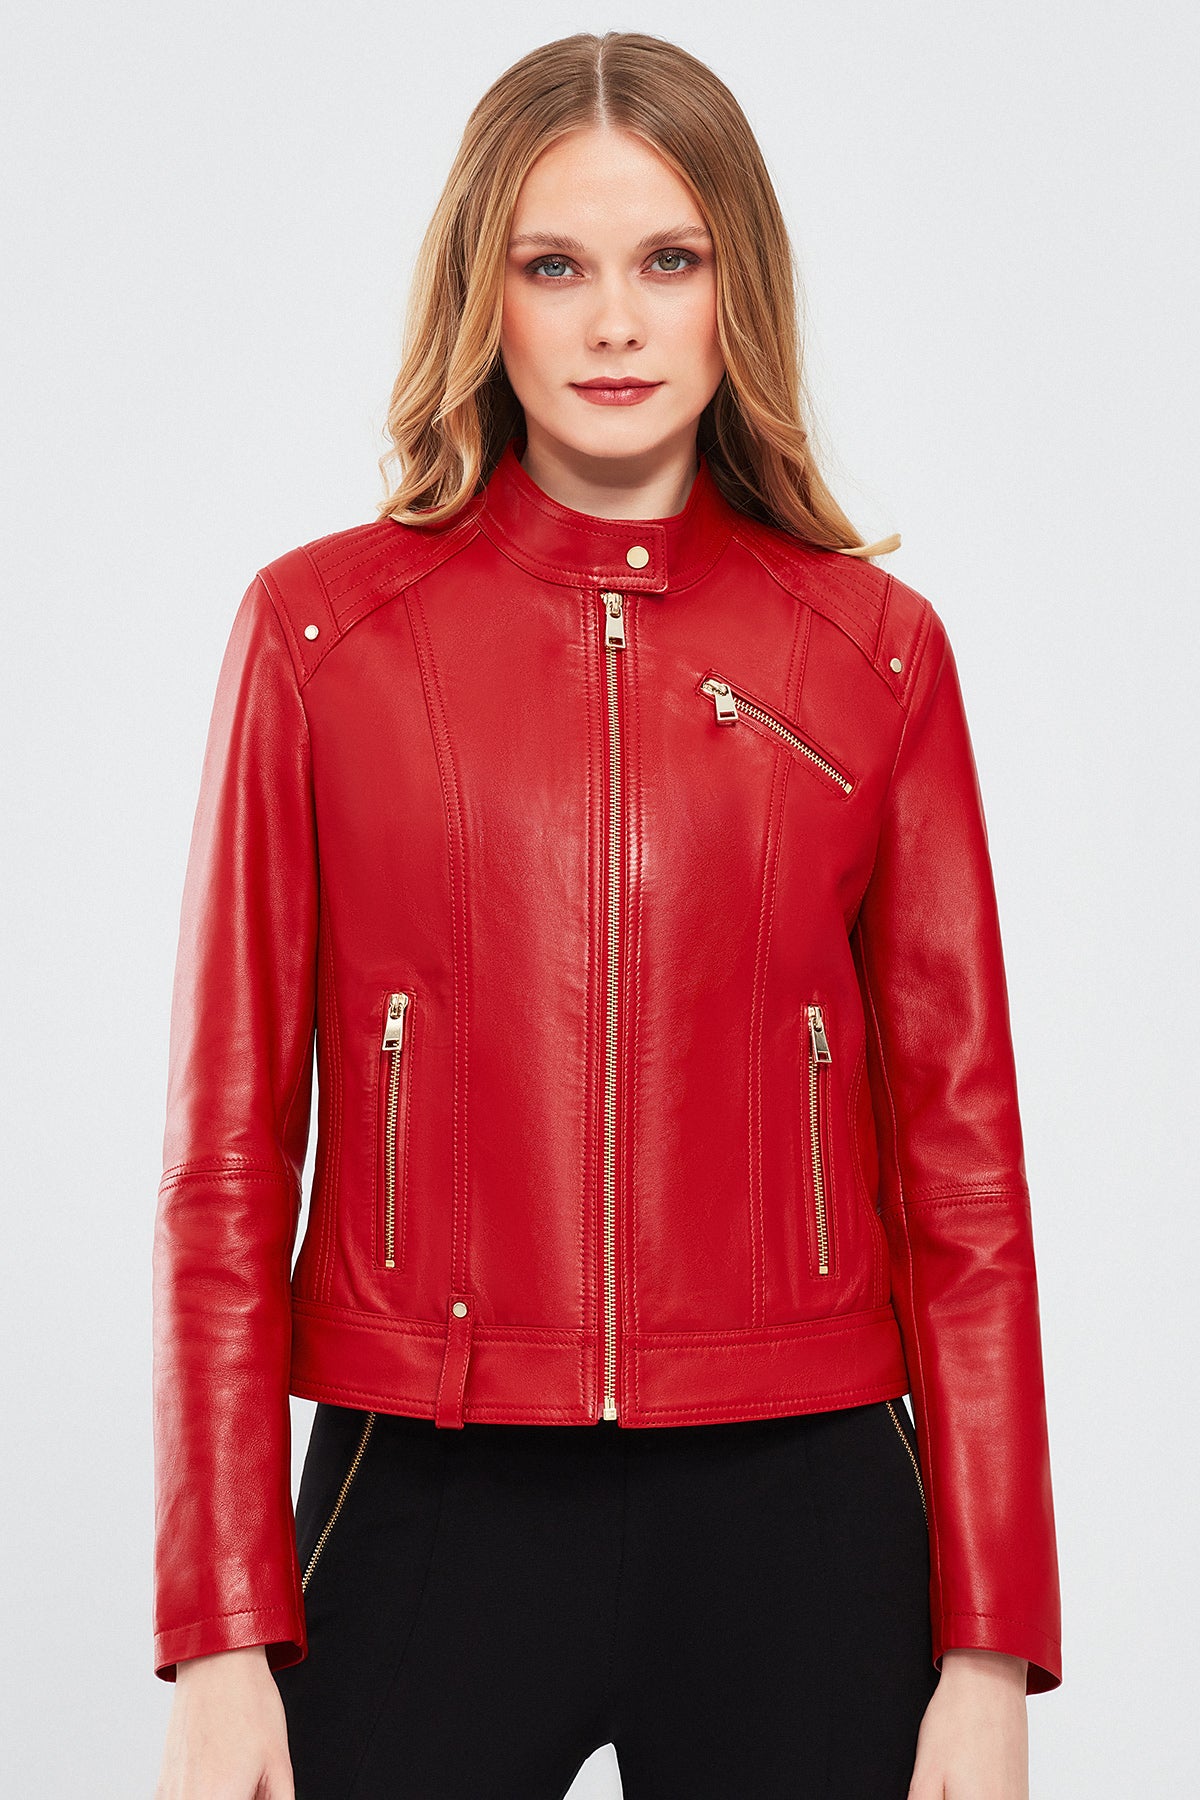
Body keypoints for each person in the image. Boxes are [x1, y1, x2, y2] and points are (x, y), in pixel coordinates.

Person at [152, 29, 1062, 1800]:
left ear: (739, 289)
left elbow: (964, 1169)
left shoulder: (875, 658)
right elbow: (227, 1163)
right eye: (554, 266)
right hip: (428, 1483)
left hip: (803, 1498)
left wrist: (989, 1646)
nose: (617, 323)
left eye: (670, 260)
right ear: (481, 295)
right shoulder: (320, 639)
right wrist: (218, 1631)